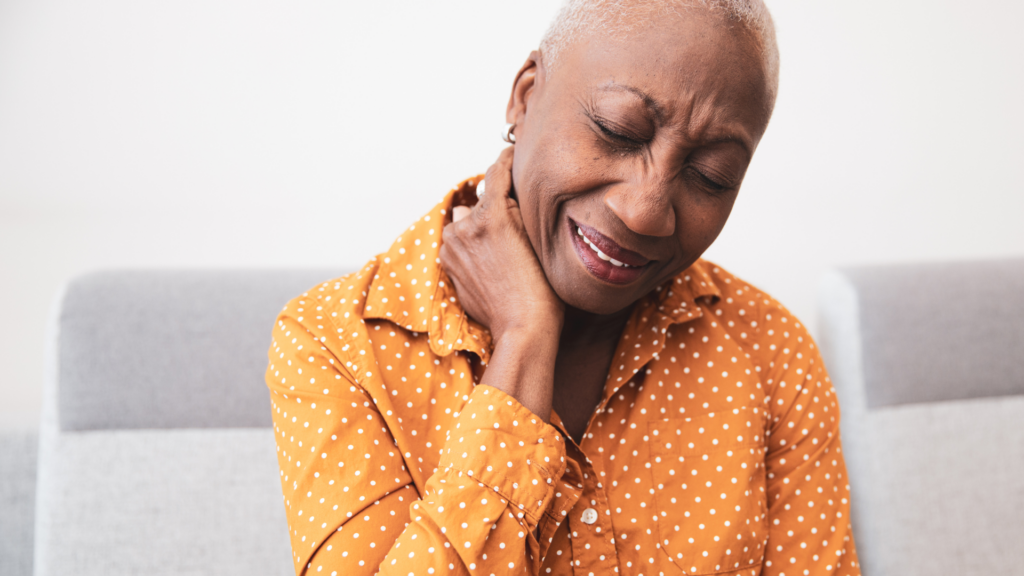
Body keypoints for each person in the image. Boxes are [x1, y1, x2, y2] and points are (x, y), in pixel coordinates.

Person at [265, 0, 861, 574]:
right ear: (526, 96)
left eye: (712, 176)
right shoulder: (338, 344)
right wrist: (524, 342)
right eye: (618, 130)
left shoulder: (769, 352)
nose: (645, 211)